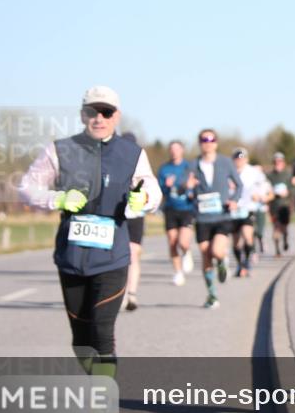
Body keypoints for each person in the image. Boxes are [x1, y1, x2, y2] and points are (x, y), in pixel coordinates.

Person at [19, 86, 161, 376]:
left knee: (102, 329)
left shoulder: (132, 154)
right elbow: (27, 188)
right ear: (82, 115)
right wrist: (57, 198)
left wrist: (144, 198)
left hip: (112, 257)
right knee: (81, 340)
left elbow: (153, 190)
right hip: (72, 257)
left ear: (117, 116)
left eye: (106, 112)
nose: (99, 118)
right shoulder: (59, 150)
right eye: (92, 112)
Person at [187, 129, 242, 308]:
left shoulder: (225, 162)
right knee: (205, 255)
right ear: (200, 143)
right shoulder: (193, 164)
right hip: (202, 218)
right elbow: (182, 189)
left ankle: (222, 261)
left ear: (216, 143)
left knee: (217, 251)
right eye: (204, 139)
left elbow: (239, 185)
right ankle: (212, 294)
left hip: (221, 216)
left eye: (211, 139)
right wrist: (187, 186)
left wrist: (234, 201)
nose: (208, 142)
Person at [157, 140, 196, 287]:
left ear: (182, 150)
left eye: (177, 149)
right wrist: (166, 186)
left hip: (187, 208)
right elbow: (160, 190)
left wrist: (191, 189)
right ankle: (178, 272)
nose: (174, 151)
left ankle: (186, 252)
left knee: (183, 242)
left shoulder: (189, 167)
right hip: (170, 208)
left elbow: (196, 184)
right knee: (172, 242)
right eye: (172, 149)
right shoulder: (164, 169)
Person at [230, 147, 268, 277]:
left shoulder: (253, 171)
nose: (239, 161)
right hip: (233, 209)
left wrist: (260, 195)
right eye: (237, 159)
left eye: (242, 158)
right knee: (236, 241)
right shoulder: (228, 171)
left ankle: (246, 262)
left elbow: (263, 184)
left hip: (248, 208)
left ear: (246, 159)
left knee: (248, 236)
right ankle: (239, 264)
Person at [120, 132, 145, 310]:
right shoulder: (112, 164)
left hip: (135, 216)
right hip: (117, 216)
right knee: (120, 257)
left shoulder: (142, 166)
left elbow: (152, 191)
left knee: (133, 253)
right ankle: (120, 293)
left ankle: (132, 294)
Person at [265, 151, 293, 256]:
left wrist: (288, 193)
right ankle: (277, 250)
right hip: (274, 206)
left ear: (283, 163)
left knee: (284, 228)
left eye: (280, 161)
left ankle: (285, 238)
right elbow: (265, 189)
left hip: (285, 205)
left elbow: (292, 189)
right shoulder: (269, 175)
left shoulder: (288, 175)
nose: (278, 163)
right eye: (276, 162)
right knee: (276, 227)